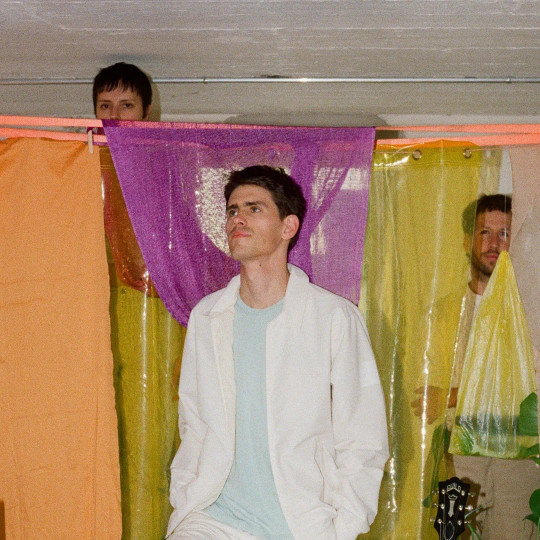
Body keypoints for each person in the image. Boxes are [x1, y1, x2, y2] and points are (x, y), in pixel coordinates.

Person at [167, 165, 389, 540]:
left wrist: (344, 527)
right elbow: (193, 421)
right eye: (233, 210)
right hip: (212, 518)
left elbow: (362, 436)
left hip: (302, 525)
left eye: (254, 208)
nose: (237, 219)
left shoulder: (333, 318)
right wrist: (185, 493)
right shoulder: (207, 316)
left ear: (288, 227)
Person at [412, 194, 540, 539]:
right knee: (449, 535)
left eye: (505, 233)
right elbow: (426, 398)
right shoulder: (442, 314)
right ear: (468, 240)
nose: (494, 243)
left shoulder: (531, 314)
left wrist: (452, 396)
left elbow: (528, 394)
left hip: (519, 459)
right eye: (485, 232)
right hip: (457, 459)